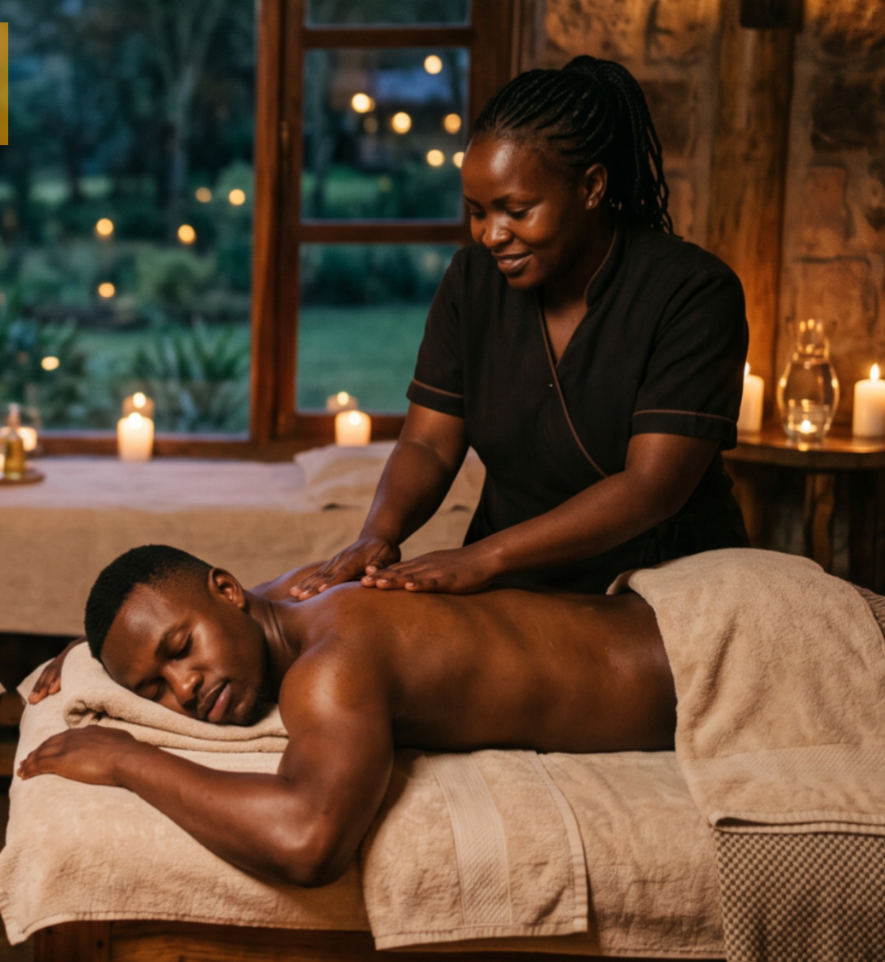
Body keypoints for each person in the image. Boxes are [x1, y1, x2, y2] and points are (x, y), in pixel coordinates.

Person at [288, 56, 751, 600]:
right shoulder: (471, 281)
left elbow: (651, 487)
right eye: (477, 211)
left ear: (592, 187)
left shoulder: (693, 292)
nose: (491, 234)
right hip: (509, 583)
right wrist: (378, 534)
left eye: (516, 210)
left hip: (658, 585)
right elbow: (428, 444)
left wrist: (483, 558)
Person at [16, 545, 674, 889]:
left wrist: (128, 758)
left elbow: (309, 841)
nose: (184, 688)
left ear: (226, 590)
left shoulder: (330, 666)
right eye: (152, 687)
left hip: (699, 656)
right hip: (652, 620)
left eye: (181, 648)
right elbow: (235, 601)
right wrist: (91, 654)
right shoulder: (304, 591)